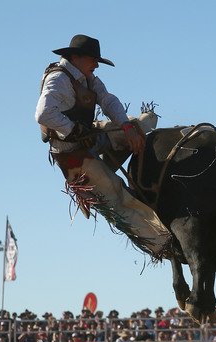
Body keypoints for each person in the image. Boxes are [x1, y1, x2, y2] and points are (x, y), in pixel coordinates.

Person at [35, 34, 171, 259]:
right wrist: (74, 130)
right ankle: (164, 244)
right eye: (93, 59)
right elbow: (43, 113)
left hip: (90, 136)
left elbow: (108, 100)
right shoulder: (58, 79)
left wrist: (127, 127)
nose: (96, 65)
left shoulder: (87, 78)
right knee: (117, 195)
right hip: (71, 153)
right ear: (76, 57)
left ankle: (103, 168)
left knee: (140, 126)